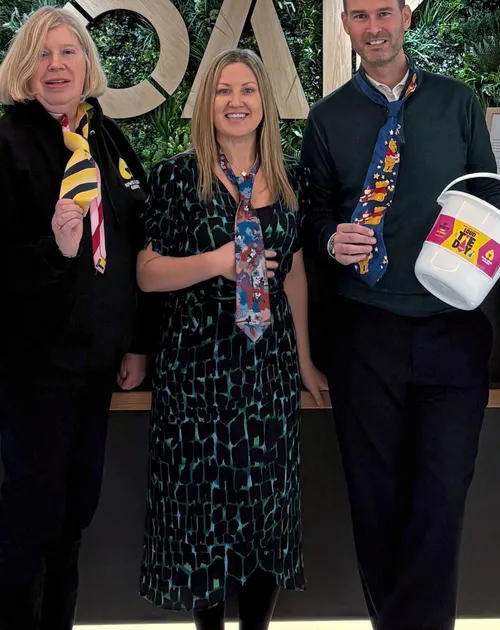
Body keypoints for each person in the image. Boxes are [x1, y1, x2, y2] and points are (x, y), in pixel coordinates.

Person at [299, 0, 500, 626]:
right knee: (374, 500)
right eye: (359, 16)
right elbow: (313, 213)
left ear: (406, 17)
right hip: (364, 328)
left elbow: (487, 193)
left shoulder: (458, 102)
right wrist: (331, 238)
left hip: (452, 327)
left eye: (385, 12)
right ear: (347, 26)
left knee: (440, 500)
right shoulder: (327, 119)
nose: (374, 27)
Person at [0, 7, 154, 628]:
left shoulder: (107, 139)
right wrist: (55, 250)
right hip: (34, 367)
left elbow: (131, 245)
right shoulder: (1, 149)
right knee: (32, 521)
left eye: (68, 52)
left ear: (87, 64)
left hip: (96, 364)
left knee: (73, 518)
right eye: (43, 54)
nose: (57, 65)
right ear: (24, 69)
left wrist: (136, 341)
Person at [136, 48, 325, 629]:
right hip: (197, 371)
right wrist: (216, 261)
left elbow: (293, 271)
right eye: (223, 91)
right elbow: (146, 271)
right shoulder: (175, 175)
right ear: (206, 103)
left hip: (266, 368)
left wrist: (307, 361)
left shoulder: (292, 180)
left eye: (247, 90)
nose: (235, 102)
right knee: (203, 513)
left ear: (266, 102)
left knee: (265, 508)